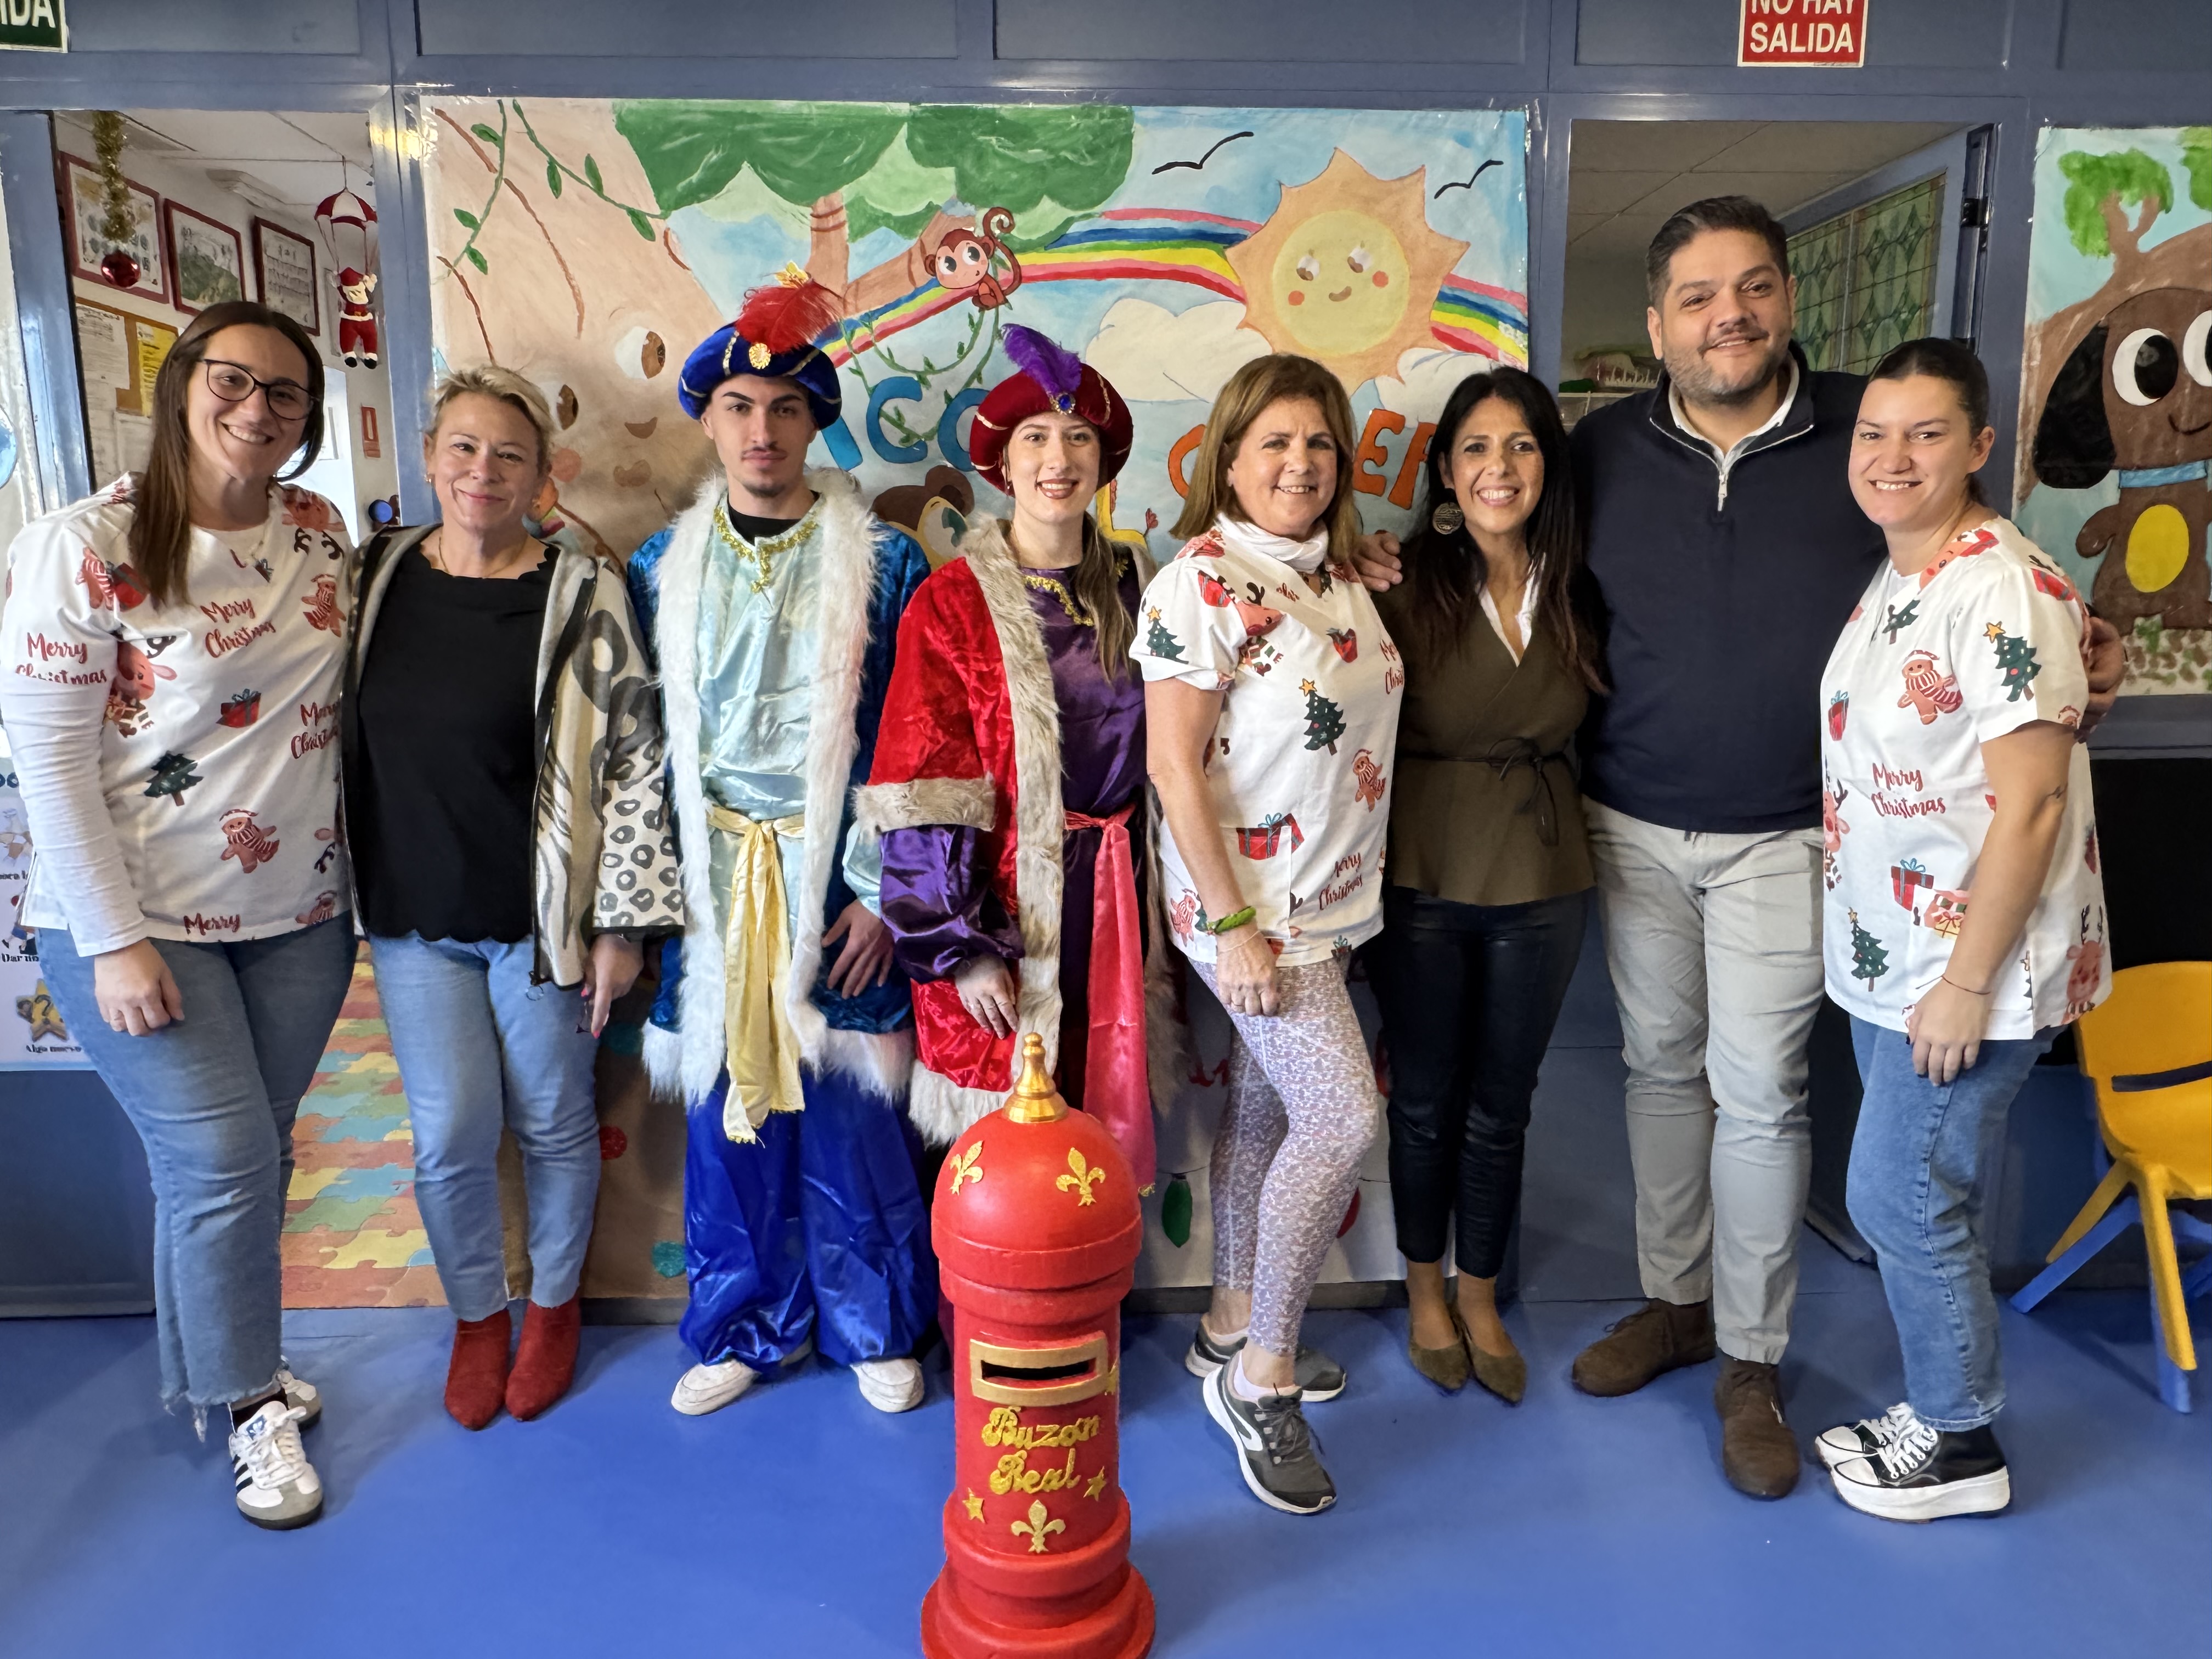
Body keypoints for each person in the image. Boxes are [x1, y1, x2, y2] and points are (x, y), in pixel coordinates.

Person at [1350, 195, 2120, 1499]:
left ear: (1789, 301)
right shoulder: (1599, 451)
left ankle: (1750, 1364)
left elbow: (1977, 565)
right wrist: (1381, 560)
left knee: (1760, 1095)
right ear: (1656, 324)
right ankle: (1677, 1304)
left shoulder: (1864, 436)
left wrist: (2085, 644)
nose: (1731, 317)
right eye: (1699, 297)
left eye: (1754, 287)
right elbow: (1506, 540)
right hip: (1629, 821)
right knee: (1658, 1074)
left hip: (1789, 835)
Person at [0, 300, 352, 1528]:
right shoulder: (82, 547)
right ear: (182, 381)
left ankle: (208, 1369)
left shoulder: (318, 533)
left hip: (299, 913)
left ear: (308, 419)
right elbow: (48, 766)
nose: (258, 409)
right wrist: (112, 941)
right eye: (232, 379)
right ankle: (251, 1404)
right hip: (139, 924)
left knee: (247, 1157)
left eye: (286, 392)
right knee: (222, 1163)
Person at [340, 366, 681, 1430]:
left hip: (545, 923)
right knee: (449, 1134)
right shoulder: (374, 575)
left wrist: (623, 925)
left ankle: (555, 1307)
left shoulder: (581, 590)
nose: (482, 471)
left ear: (542, 478)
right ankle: (478, 1318)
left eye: (509, 455)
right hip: (412, 916)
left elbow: (635, 758)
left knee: (552, 1120)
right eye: (464, 447)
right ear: (430, 455)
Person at [628, 268, 937, 1418]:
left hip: (840, 879)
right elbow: (635, 749)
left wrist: (883, 894)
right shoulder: (658, 570)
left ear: (815, 424)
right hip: (717, 882)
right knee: (730, 1115)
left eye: (786, 409)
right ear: (709, 423)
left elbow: (915, 743)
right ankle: (744, 1324)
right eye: (740, 409)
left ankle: (876, 1324)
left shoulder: (890, 566)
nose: (762, 430)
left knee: (853, 1112)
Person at [1812, 340, 2108, 1521]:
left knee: (1899, 1198)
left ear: (1979, 446)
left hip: (1965, 967)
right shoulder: (1908, 573)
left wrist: (1968, 982)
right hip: (1899, 950)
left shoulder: (1998, 586)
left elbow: (2031, 805)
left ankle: (1958, 1443)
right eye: (1874, 433)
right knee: (1917, 1190)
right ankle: (1942, 1408)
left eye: (1925, 434)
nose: (1893, 457)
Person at [1132, 352, 1400, 1516]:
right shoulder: (1199, 583)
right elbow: (1172, 767)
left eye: (1320, 444)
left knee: (1264, 1109)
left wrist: (1361, 565)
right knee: (1340, 1119)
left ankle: (1233, 1319)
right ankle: (1263, 1380)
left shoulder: (1334, 573)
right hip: (1252, 913)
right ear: (1227, 461)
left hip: (1328, 901)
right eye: (1275, 444)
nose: (1301, 463)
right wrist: (1237, 927)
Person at [857, 325, 1169, 1181]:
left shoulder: (1144, 588)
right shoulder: (950, 603)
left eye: (1077, 438)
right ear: (1004, 462)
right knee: (1000, 1160)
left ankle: (1097, 1267)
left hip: (1114, 901)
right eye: (1036, 437)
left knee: (1094, 1140)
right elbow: (922, 788)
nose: (1057, 458)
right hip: (999, 910)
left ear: (1102, 460)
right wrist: (962, 947)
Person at [1364, 367, 1605, 1403]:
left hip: (1544, 871)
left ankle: (1480, 1291)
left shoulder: (1583, 582)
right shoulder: (1396, 578)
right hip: (1422, 865)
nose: (1498, 468)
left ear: (1549, 463)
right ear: (1446, 472)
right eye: (1475, 448)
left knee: (1505, 1103)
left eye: (1521, 445)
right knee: (1425, 1099)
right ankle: (1425, 1290)